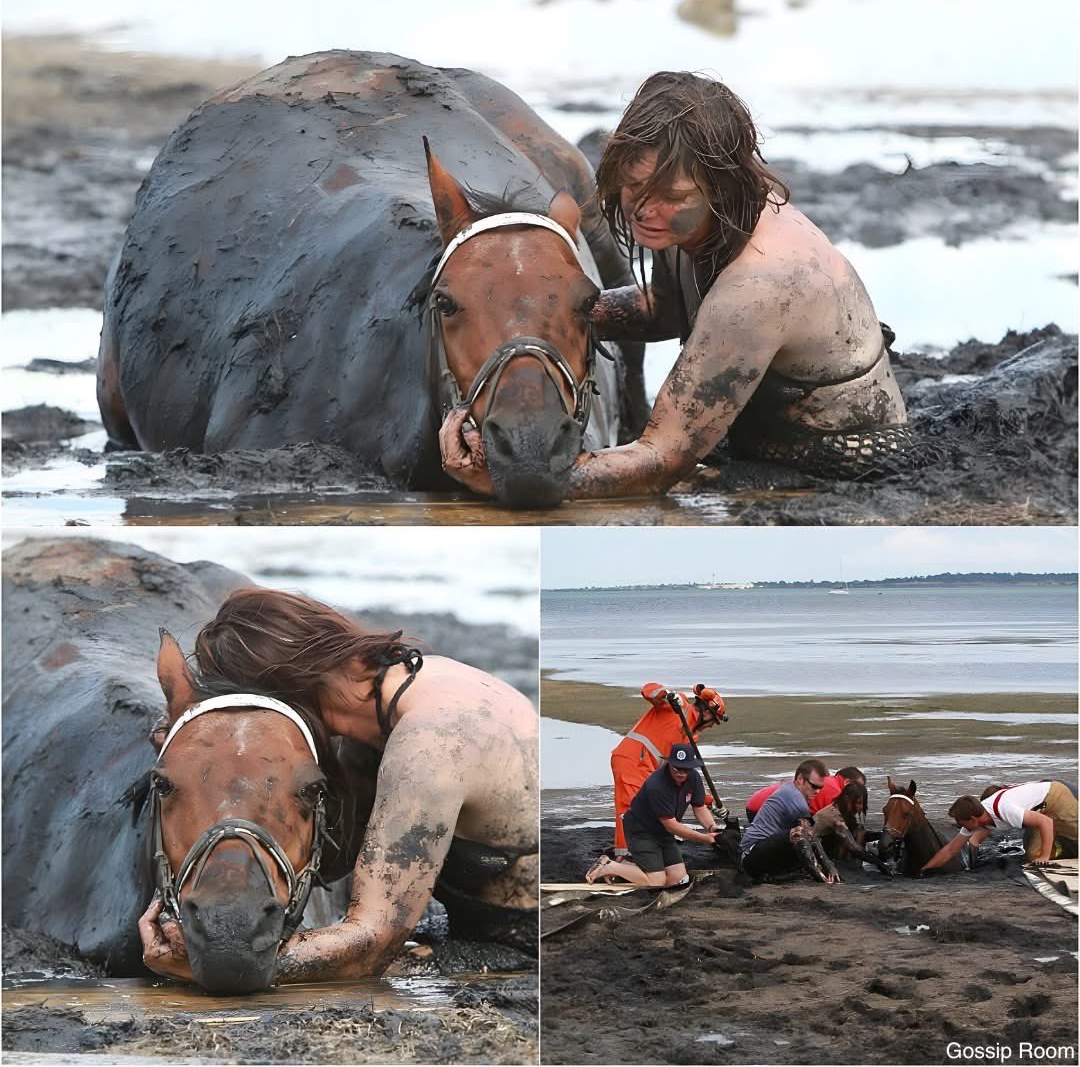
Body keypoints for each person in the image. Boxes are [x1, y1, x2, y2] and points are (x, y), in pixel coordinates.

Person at [439, 70, 911, 499]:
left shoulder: (761, 285)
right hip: (753, 438)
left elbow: (662, 457)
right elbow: (665, 308)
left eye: (672, 196)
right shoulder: (690, 219)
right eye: (634, 187)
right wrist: (546, 316)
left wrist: (511, 474)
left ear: (724, 187)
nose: (645, 210)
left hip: (840, 463)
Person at [138, 589, 538, 983]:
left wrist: (214, 959)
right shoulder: (408, 689)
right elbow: (337, 857)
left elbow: (374, 942)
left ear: (285, 689)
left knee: (377, 973)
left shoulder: (431, 747)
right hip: (478, 917)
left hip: (519, 945)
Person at [609, 681, 727, 856]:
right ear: (706, 712)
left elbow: (684, 777)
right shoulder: (679, 705)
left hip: (649, 770)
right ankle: (625, 857)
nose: (711, 726)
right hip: (632, 759)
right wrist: (668, 695)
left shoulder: (691, 737)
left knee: (659, 805)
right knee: (631, 811)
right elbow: (648, 691)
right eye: (713, 721)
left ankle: (648, 849)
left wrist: (707, 802)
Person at [585, 744, 720, 887]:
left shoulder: (694, 778)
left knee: (678, 879)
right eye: (677, 768)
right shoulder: (656, 785)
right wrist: (704, 839)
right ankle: (609, 866)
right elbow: (671, 825)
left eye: (685, 769)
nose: (681, 773)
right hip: (642, 831)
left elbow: (699, 807)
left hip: (663, 833)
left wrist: (712, 828)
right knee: (657, 881)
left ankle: (624, 865)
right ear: (669, 764)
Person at [921, 780, 1079, 874]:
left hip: (1055, 797)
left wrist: (1045, 858)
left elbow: (1046, 822)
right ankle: (1058, 845)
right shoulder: (978, 817)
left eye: (961, 822)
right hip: (1036, 812)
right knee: (1033, 856)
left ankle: (1060, 843)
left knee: (1074, 838)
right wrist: (924, 870)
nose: (959, 825)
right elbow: (950, 850)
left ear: (973, 819)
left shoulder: (1004, 809)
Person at [739, 758, 839, 883]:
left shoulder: (793, 790)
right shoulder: (795, 797)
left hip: (768, 850)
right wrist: (827, 866)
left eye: (820, 788)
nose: (817, 791)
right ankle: (820, 877)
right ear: (800, 779)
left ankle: (784, 873)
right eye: (814, 786)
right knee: (799, 833)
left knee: (808, 834)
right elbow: (810, 834)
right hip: (751, 855)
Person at [745, 765, 865, 824]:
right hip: (761, 809)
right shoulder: (836, 791)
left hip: (754, 802)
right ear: (847, 782)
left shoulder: (825, 780)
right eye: (858, 788)